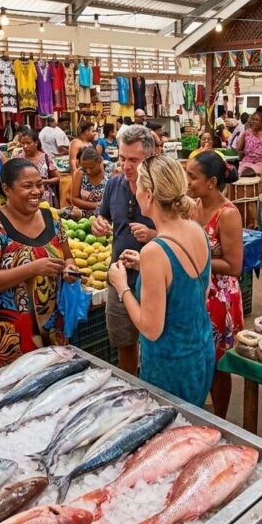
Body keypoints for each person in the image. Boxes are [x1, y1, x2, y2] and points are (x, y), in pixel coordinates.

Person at [108, 154, 214, 407]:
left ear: (150, 194)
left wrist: (122, 287)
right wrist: (146, 267)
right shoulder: (196, 229)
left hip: (170, 366)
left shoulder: (155, 251)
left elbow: (150, 328)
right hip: (200, 351)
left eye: (140, 187)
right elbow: (200, 292)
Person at [0, 158, 75, 373]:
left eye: (39, 184)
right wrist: (33, 268)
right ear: (7, 189)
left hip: (51, 326)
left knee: (52, 390)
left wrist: (70, 269)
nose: (36, 191)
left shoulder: (51, 217)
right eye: (27, 186)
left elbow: (68, 257)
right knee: (10, 393)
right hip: (7, 332)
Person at [91, 125, 157, 376]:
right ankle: (131, 388)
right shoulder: (114, 184)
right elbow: (103, 215)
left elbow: (180, 234)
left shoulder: (162, 189)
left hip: (154, 281)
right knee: (123, 342)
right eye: (121, 158)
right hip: (119, 278)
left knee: (154, 344)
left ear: (149, 158)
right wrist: (97, 222)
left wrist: (153, 235)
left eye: (134, 160)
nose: (126, 166)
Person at [187, 151, 243, 418]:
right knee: (201, 359)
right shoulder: (195, 206)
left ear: (211, 182)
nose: (188, 182)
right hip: (201, 292)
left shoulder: (228, 214)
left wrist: (198, 257)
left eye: (192, 177)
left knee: (219, 365)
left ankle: (220, 419)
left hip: (221, 300)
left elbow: (234, 266)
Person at [12, 130, 58, 206]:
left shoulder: (46, 158)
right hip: (24, 198)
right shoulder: (18, 158)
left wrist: (45, 181)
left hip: (44, 199)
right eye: (23, 143)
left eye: (28, 143)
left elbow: (57, 178)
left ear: (36, 143)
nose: (25, 146)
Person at [67, 147, 107, 219]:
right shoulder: (80, 173)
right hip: (83, 217)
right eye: (85, 167)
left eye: (92, 167)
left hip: (106, 216)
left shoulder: (110, 172)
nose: (88, 171)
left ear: (100, 162)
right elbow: (74, 198)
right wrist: (96, 205)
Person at [235, 111, 262, 177]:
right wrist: (241, 154)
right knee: (243, 173)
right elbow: (239, 149)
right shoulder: (246, 133)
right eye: (253, 119)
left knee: (256, 174)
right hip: (247, 161)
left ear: (261, 122)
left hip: (261, 161)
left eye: (257, 120)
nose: (254, 121)